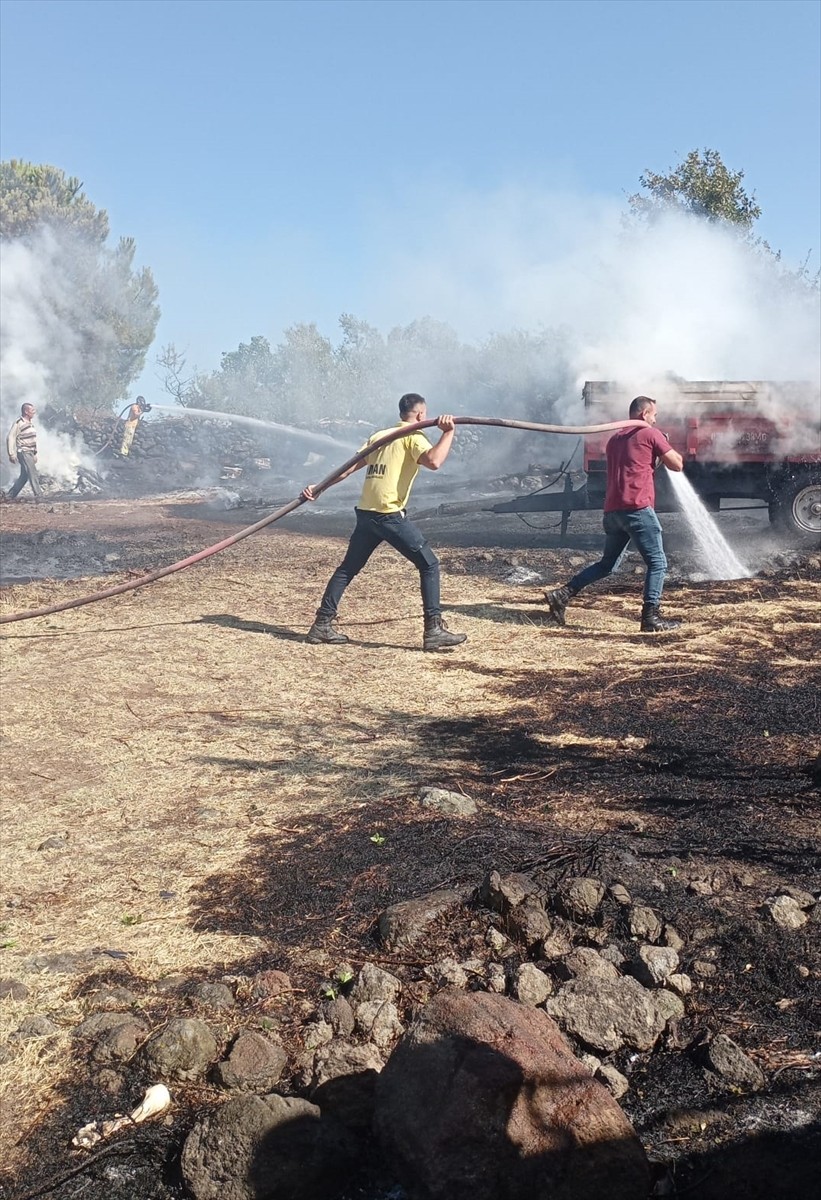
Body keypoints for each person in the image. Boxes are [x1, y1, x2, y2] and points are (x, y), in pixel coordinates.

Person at [301, 393, 467, 652]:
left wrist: (321, 487)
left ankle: (322, 624)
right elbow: (434, 461)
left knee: (347, 569)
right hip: (388, 515)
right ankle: (433, 630)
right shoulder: (414, 436)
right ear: (421, 414)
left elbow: (347, 468)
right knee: (429, 564)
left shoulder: (380, 436)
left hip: (366, 514)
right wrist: (448, 432)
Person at [543, 395, 684, 633]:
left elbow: (639, 464)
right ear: (644, 414)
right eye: (654, 415)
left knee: (608, 565)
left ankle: (563, 594)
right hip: (637, 509)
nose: (655, 419)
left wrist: (657, 451)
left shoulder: (615, 439)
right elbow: (677, 464)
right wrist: (663, 442)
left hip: (613, 511)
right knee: (658, 563)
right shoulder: (650, 434)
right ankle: (651, 617)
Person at [5, 403, 43, 501]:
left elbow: (32, 440)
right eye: (32, 410)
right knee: (32, 472)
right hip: (23, 452)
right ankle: (39, 496)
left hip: (30, 452)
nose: (34, 412)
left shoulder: (30, 424)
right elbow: (11, 437)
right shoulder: (19, 423)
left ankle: (9, 496)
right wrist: (11, 453)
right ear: (26, 411)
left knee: (24, 476)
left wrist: (35, 453)